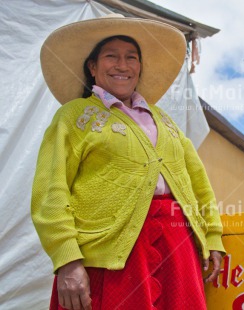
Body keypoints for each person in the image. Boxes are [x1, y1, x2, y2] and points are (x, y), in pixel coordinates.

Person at [31, 15, 225, 310]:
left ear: (139, 68)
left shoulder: (164, 121)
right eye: (111, 57)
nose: (122, 65)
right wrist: (67, 259)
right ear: (93, 67)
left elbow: (198, 182)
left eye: (131, 58)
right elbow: (50, 192)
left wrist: (212, 235)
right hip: (109, 255)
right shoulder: (74, 116)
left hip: (177, 246)